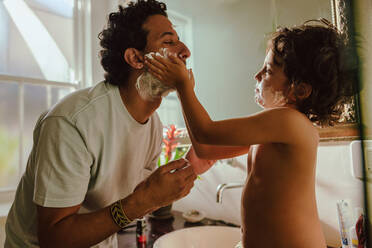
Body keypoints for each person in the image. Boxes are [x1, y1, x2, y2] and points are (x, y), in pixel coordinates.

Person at [4, 1, 220, 247]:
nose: (186, 51)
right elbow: (55, 239)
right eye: (169, 42)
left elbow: (137, 199)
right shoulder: (72, 123)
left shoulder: (152, 126)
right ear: (137, 58)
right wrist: (144, 199)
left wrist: (190, 168)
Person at [144, 19, 358, 248]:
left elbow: (205, 134)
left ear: (300, 90)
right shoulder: (276, 129)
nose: (257, 76)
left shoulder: (289, 122)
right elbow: (206, 148)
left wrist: (183, 86)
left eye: (267, 71)